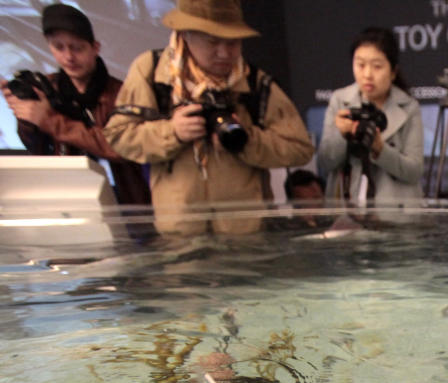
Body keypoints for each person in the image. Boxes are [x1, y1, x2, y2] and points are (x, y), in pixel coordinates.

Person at [104, 0, 314, 236]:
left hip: (246, 237)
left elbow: (299, 148)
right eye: (212, 41)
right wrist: (172, 132)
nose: (224, 53)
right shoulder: (152, 72)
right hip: (180, 235)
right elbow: (118, 135)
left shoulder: (254, 82)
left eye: (233, 42)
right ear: (185, 34)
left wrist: (248, 141)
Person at [0, 4, 152, 219]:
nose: (68, 57)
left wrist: (51, 120)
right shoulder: (47, 88)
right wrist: (25, 116)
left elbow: (118, 147)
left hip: (124, 202)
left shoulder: (122, 92)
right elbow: (37, 148)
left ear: (95, 47)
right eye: (59, 47)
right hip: (65, 197)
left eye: (77, 48)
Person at [318, 27, 424, 208]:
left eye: (377, 66)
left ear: (393, 71)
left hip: (397, 217)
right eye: (360, 64)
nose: (367, 74)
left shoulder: (409, 106)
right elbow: (325, 162)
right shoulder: (340, 101)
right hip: (348, 213)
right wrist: (342, 136)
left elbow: (414, 171)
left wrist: (380, 149)